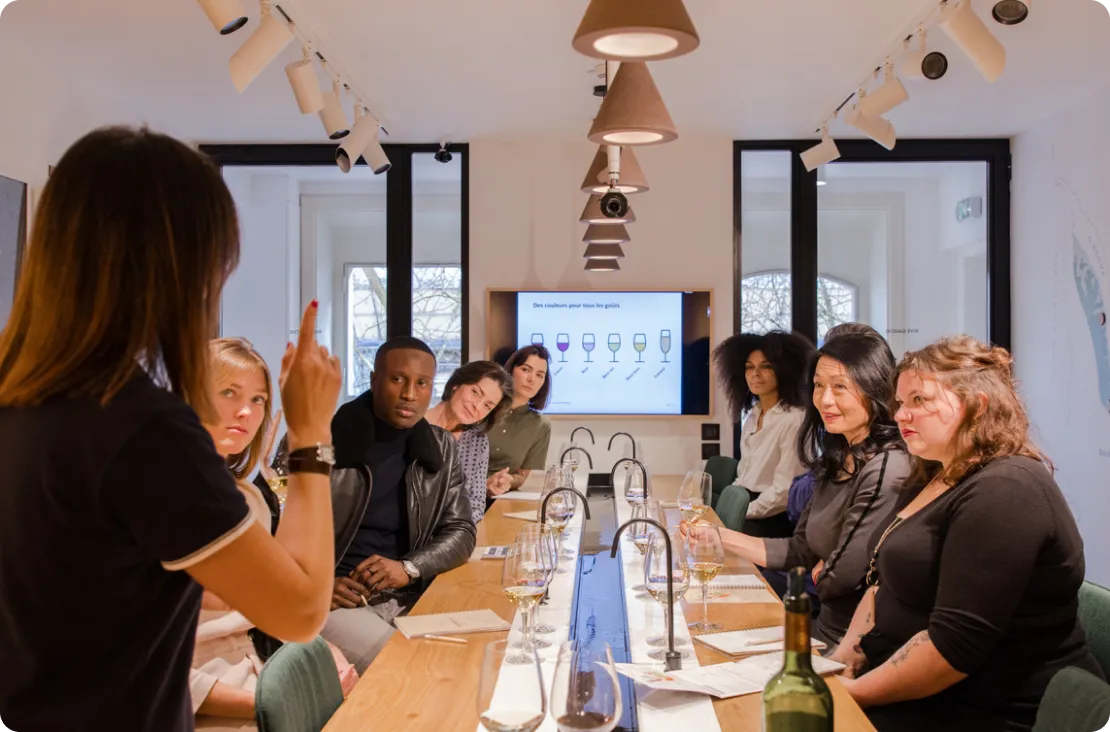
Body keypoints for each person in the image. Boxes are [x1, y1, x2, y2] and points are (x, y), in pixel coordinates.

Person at [0, 126, 340, 731]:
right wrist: (311, 433)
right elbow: (301, 611)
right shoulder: (140, 431)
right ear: (181, 269)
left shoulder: (23, 402)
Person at [832, 336, 1104, 731]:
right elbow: (881, 583)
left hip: (986, 710)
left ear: (979, 405)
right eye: (900, 402)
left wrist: (850, 695)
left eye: (919, 401)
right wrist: (844, 656)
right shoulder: (934, 471)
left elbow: (953, 649)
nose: (901, 415)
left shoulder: (1006, 488)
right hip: (910, 688)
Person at [193, 339, 358, 730]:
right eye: (228, 392)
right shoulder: (166, 497)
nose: (246, 411)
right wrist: (312, 435)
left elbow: (290, 609)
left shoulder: (247, 497)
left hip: (257, 669)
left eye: (260, 399)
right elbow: (297, 607)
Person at [706, 333, 912, 646]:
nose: (825, 400)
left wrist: (821, 571)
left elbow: (840, 579)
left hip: (851, 643)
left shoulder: (887, 467)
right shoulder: (836, 459)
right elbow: (799, 550)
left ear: (874, 387)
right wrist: (717, 536)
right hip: (819, 625)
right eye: (818, 385)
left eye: (840, 387)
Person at [321, 337, 476, 673]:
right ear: (374, 379)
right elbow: (275, 532)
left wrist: (408, 568)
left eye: (422, 383)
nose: (410, 394)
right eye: (397, 380)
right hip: (337, 605)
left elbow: (461, 530)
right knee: (409, 670)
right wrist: (317, 586)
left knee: (468, 662)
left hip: (409, 595)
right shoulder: (321, 439)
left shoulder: (440, 447)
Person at [713, 330, 813, 537]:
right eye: (749, 367)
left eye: (766, 366)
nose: (755, 374)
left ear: (785, 370)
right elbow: (744, 475)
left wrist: (741, 512)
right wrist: (726, 508)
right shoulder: (753, 414)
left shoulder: (794, 420)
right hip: (748, 509)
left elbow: (784, 491)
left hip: (772, 521)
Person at [425, 360, 514, 524]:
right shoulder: (414, 426)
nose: (477, 407)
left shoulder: (477, 441)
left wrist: (451, 536)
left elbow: (475, 505)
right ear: (456, 385)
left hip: (451, 536)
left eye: (488, 405)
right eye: (475, 392)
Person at [486, 345, 553, 497]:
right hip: (462, 496)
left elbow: (522, 476)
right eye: (525, 370)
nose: (531, 379)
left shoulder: (541, 425)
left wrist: (509, 481)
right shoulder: (484, 406)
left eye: (539, 375)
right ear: (510, 371)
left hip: (500, 499)